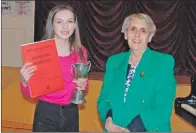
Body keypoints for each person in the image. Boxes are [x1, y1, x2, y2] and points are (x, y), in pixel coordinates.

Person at [97, 13, 177, 132]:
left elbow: (163, 108)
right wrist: (108, 120)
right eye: (133, 29)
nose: (137, 35)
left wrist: (132, 129)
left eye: (143, 31)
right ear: (126, 34)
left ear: (150, 37)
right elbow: (104, 99)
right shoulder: (114, 62)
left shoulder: (163, 62)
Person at [20, 5, 88, 132]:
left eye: (69, 21)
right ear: (52, 25)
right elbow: (29, 93)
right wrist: (24, 81)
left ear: (74, 25)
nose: (65, 26)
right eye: (59, 22)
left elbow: (84, 86)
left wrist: (83, 86)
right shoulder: (39, 52)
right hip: (46, 113)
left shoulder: (81, 52)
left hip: (71, 113)